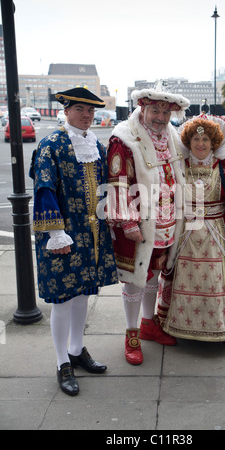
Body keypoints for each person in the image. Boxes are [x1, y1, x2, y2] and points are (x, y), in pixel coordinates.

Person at [30, 87, 118, 396]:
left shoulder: (96, 144)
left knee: (82, 294)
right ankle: (61, 362)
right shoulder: (51, 145)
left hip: (91, 233)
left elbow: (105, 185)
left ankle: (77, 349)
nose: (86, 115)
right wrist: (55, 233)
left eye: (91, 111)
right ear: (66, 111)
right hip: (64, 235)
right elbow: (44, 187)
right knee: (63, 299)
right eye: (80, 109)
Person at [104, 82, 190, 365]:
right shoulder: (124, 138)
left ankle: (149, 324)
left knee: (154, 274)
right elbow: (118, 184)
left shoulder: (172, 135)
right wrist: (128, 223)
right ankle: (131, 335)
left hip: (165, 223)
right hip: (138, 223)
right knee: (134, 280)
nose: (161, 118)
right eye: (155, 111)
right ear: (142, 108)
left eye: (166, 113)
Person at [157, 115, 225, 344]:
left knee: (216, 280)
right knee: (184, 277)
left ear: (214, 142)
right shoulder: (178, 167)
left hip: (217, 233)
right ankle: (178, 324)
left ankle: (223, 327)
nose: (201, 144)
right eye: (196, 138)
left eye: (205, 139)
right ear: (188, 141)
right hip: (185, 231)